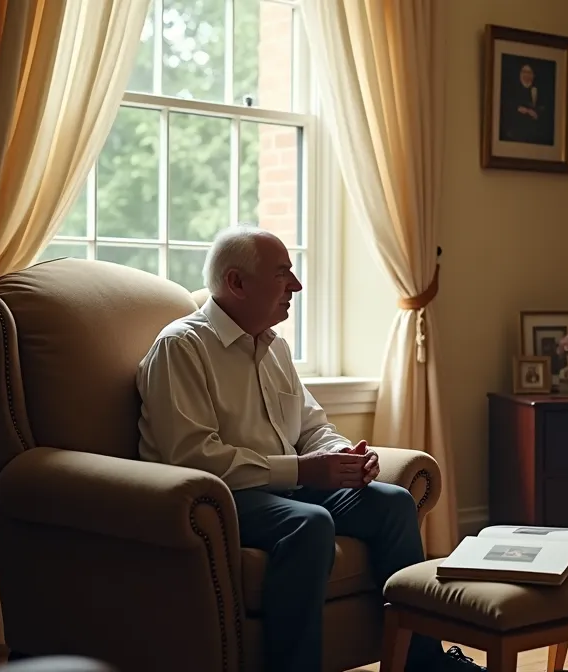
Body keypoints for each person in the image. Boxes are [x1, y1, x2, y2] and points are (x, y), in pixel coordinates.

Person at [136, 226, 483, 672]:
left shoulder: (274, 347)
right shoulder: (181, 347)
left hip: (286, 487)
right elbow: (192, 457)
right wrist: (302, 470)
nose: (296, 285)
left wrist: (344, 457)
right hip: (222, 496)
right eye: (282, 274)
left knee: (394, 502)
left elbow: (313, 427)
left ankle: (422, 663)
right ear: (237, 283)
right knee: (309, 524)